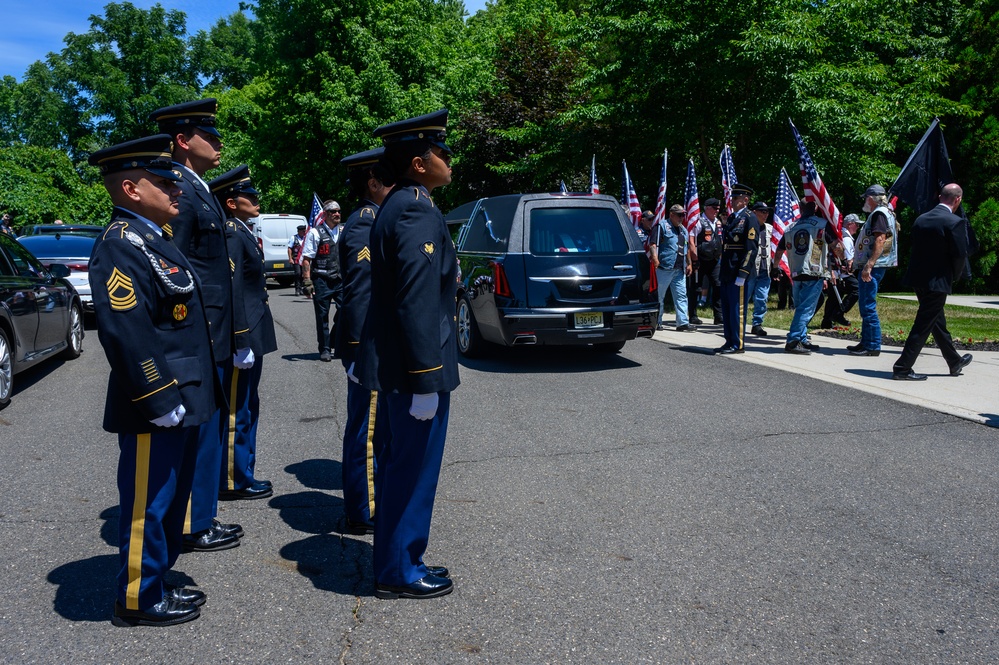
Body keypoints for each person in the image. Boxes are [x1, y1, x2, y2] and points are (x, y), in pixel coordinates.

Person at [88, 134, 221, 627]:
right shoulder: (120, 245)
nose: (176, 189)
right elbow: (128, 332)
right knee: (148, 500)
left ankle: (156, 579)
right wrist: (157, 396)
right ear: (131, 188)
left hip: (179, 396)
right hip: (155, 402)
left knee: (168, 498)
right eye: (163, 181)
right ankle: (138, 598)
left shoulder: (153, 238)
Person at [356, 109, 459, 600]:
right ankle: (400, 569)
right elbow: (416, 301)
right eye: (441, 152)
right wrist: (426, 379)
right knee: (411, 472)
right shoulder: (417, 209)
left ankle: (402, 557)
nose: (448, 159)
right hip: (416, 369)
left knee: (402, 467)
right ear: (419, 164)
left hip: (400, 365)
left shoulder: (397, 203)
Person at [150, 98, 242, 552]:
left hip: (215, 330)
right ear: (183, 141)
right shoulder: (178, 191)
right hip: (198, 332)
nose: (219, 142)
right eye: (210, 135)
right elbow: (174, 269)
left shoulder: (196, 186)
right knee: (196, 431)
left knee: (209, 427)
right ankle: (190, 520)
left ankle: (200, 514)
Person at [208, 165, 277, 500]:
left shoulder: (242, 230)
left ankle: (242, 471)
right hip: (245, 329)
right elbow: (233, 287)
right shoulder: (232, 233)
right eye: (249, 195)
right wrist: (240, 338)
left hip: (254, 326)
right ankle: (234, 478)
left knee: (249, 403)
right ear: (232, 202)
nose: (256, 199)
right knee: (238, 407)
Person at [336, 147, 394, 533]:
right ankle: (366, 509)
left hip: (374, 343)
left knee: (374, 428)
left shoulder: (371, 218)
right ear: (373, 183)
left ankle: (370, 501)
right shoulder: (364, 223)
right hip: (366, 346)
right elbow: (361, 292)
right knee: (367, 431)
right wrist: (358, 351)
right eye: (389, 178)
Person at [891, 184, 972, 380]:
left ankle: (954, 361)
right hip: (938, 281)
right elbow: (960, 255)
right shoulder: (954, 222)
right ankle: (902, 367)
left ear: (939, 196)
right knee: (923, 323)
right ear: (957, 200)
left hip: (919, 278)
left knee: (935, 319)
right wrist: (956, 275)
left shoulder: (922, 219)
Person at [773, 202, 843, 354]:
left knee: (800, 307)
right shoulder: (823, 224)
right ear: (816, 208)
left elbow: (779, 251)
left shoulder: (790, 227)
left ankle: (802, 339)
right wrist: (844, 258)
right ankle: (793, 340)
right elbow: (836, 246)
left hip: (796, 273)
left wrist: (774, 268)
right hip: (814, 271)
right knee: (805, 309)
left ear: (800, 208)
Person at [848, 184, 898, 357]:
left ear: (872, 198)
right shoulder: (887, 213)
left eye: (866, 197)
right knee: (865, 304)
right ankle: (866, 342)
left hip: (873, 267)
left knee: (868, 306)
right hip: (876, 264)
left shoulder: (879, 214)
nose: (864, 201)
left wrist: (869, 265)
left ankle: (873, 345)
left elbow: (880, 240)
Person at [716, 183, 758, 354]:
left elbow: (751, 248)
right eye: (732, 198)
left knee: (737, 310)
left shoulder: (750, 218)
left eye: (736, 198)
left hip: (738, 272)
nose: (732, 201)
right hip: (727, 270)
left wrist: (743, 272)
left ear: (745, 200)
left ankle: (738, 344)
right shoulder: (733, 218)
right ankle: (729, 340)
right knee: (727, 309)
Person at [302, 199, 343, 361]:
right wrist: (307, 282)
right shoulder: (315, 233)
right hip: (321, 280)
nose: (337, 214)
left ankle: (334, 340)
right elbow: (307, 259)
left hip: (340, 280)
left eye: (339, 211)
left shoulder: (344, 230)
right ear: (325, 214)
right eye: (333, 212)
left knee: (346, 311)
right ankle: (325, 349)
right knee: (322, 316)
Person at [820, 213, 860, 328]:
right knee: (857, 290)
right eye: (856, 224)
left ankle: (826, 321)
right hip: (842, 273)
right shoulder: (846, 238)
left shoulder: (840, 235)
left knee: (834, 296)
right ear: (850, 224)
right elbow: (846, 258)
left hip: (836, 272)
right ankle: (839, 313)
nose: (857, 227)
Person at [662, 204, 696, 331]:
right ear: (671, 215)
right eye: (679, 215)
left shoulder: (683, 230)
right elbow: (653, 244)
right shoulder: (662, 227)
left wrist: (689, 263)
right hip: (664, 268)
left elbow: (686, 248)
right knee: (660, 296)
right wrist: (655, 259)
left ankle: (682, 323)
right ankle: (658, 322)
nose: (682, 217)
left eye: (683, 215)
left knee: (681, 295)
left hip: (679, 268)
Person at [692, 198, 723, 324]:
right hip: (700, 260)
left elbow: (720, 239)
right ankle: (693, 315)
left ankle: (718, 315)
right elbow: (692, 240)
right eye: (715, 208)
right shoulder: (699, 221)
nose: (717, 211)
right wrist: (694, 259)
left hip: (714, 260)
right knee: (696, 288)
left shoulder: (718, 222)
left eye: (718, 209)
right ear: (707, 208)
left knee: (718, 286)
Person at [747, 201, 773, 337]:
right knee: (744, 298)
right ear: (754, 212)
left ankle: (757, 324)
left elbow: (774, 248)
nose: (765, 214)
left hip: (765, 270)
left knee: (762, 298)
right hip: (749, 270)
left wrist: (776, 266)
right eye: (762, 212)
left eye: (767, 212)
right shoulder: (748, 226)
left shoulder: (770, 228)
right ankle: (739, 322)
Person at [638, 210, 667, 329]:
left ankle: (654, 321)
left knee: (653, 294)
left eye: (652, 219)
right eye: (649, 219)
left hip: (653, 268)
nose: (652, 221)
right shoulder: (638, 232)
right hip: (642, 267)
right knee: (642, 294)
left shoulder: (656, 233)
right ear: (643, 220)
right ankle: (642, 320)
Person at [288, 224, 308, 296]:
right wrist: (290, 258)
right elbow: (290, 248)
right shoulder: (293, 238)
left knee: (304, 274)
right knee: (298, 273)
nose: (304, 232)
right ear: (299, 231)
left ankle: (302, 288)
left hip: (304, 259)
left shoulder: (306, 238)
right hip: (296, 258)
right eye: (303, 231)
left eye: (304, 231)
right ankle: (297, 289)